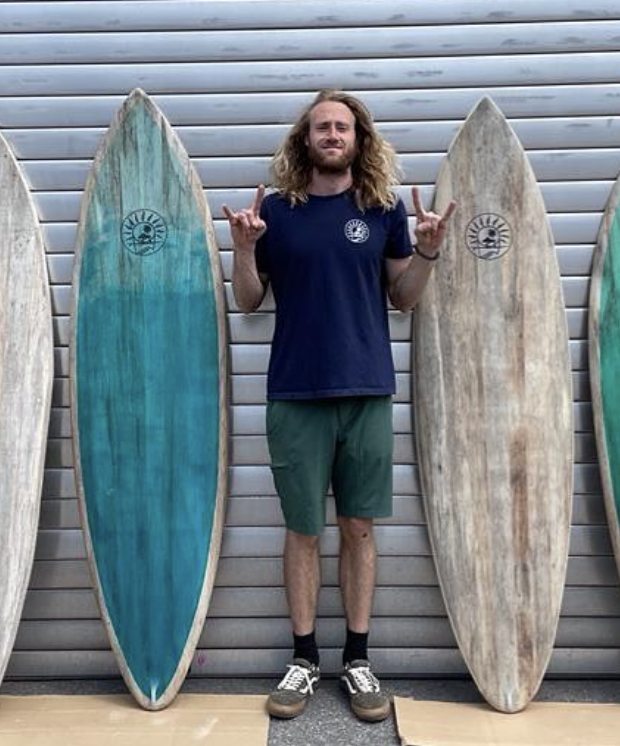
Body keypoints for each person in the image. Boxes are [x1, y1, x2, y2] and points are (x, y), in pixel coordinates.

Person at [222, 89, 455, 723]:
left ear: (359, 139)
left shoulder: (380, 209)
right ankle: (303, 659)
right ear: (305, 139)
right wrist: (243, 249)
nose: (331, 134)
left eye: (342, 127)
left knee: (359, 529)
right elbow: (247, 301)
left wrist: (429, 250)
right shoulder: (277, 211)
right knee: (303, 531)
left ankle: (357, 659)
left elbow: (404, 298)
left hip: (366, 392)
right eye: (321, 126)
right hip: (295, 394)